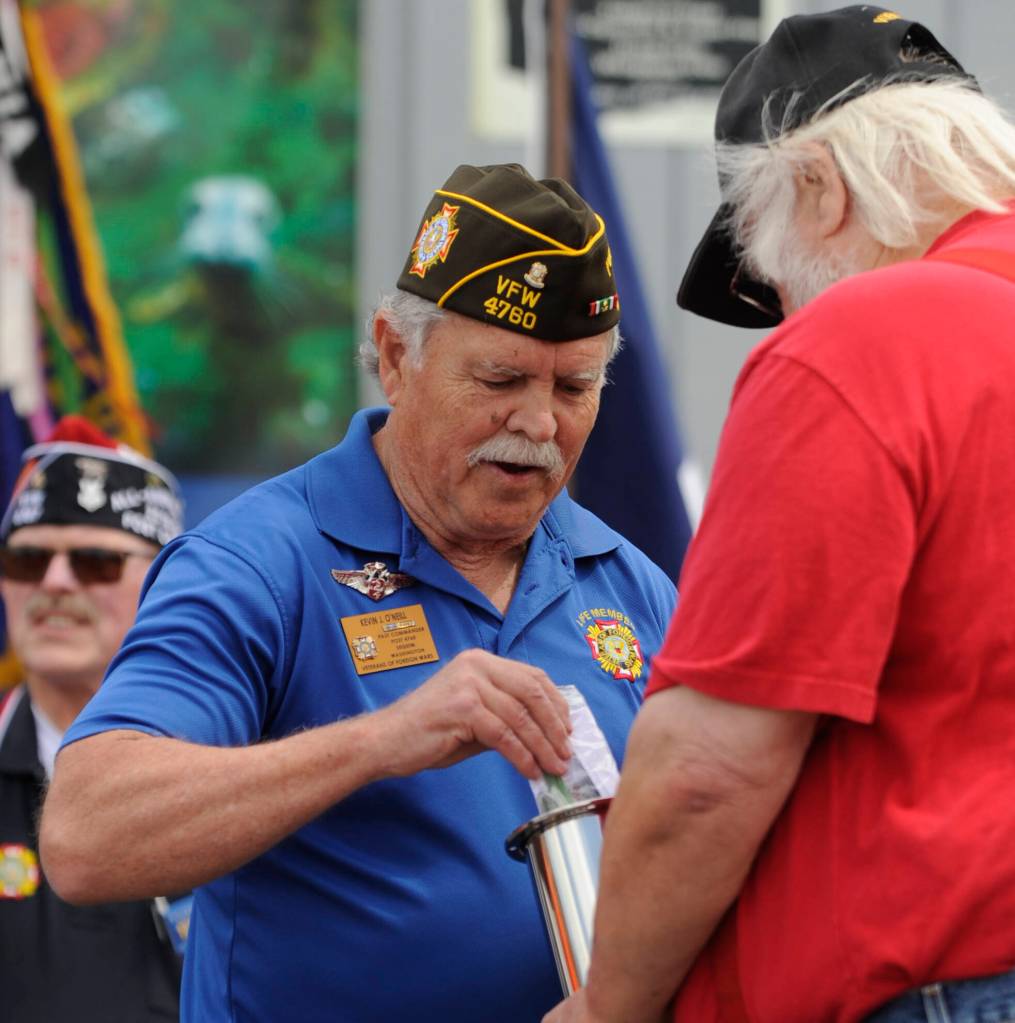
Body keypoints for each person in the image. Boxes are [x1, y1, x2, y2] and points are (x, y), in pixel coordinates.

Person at [39, 163, 677, 1022]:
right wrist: (386, 738)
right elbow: (86, 838)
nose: (538, 424)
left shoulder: (631, 583)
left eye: (574, 387)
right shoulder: (259, 560)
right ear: (392, 355)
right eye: (498, 381)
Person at [543, 7, 1015, 1023]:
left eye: (763, 267)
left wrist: (608, 1004)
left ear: (818, 186)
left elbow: (711, 763)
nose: (784, 307)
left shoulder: (867, 338)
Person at [0, 415, 186, 1022]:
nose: (54, 583)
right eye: (27, 560)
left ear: (166, 582)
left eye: (94, 561)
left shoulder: (238, 763)